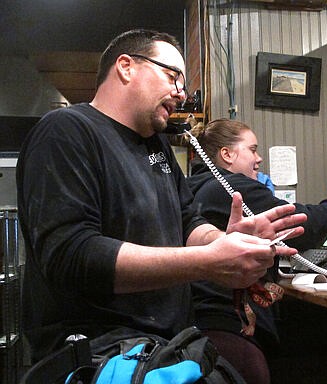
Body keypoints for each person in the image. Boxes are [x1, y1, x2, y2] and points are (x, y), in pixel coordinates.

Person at [16, 29, 307, 367]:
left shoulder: (158, 147)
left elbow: (188, 222)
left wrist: (226, 241)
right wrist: (207, 262)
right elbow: (72, 255)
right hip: (97, 354)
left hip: (167, 344)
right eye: (172, 77)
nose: (180, 94)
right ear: (126, 66)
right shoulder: (66, 130)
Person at [185, 118, 327, 384]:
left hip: (201, 323)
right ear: (227, 154)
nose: (259, 158)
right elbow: (305, 225)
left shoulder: (194, 187)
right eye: (252, 149)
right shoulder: (232, 187)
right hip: (232, 327)